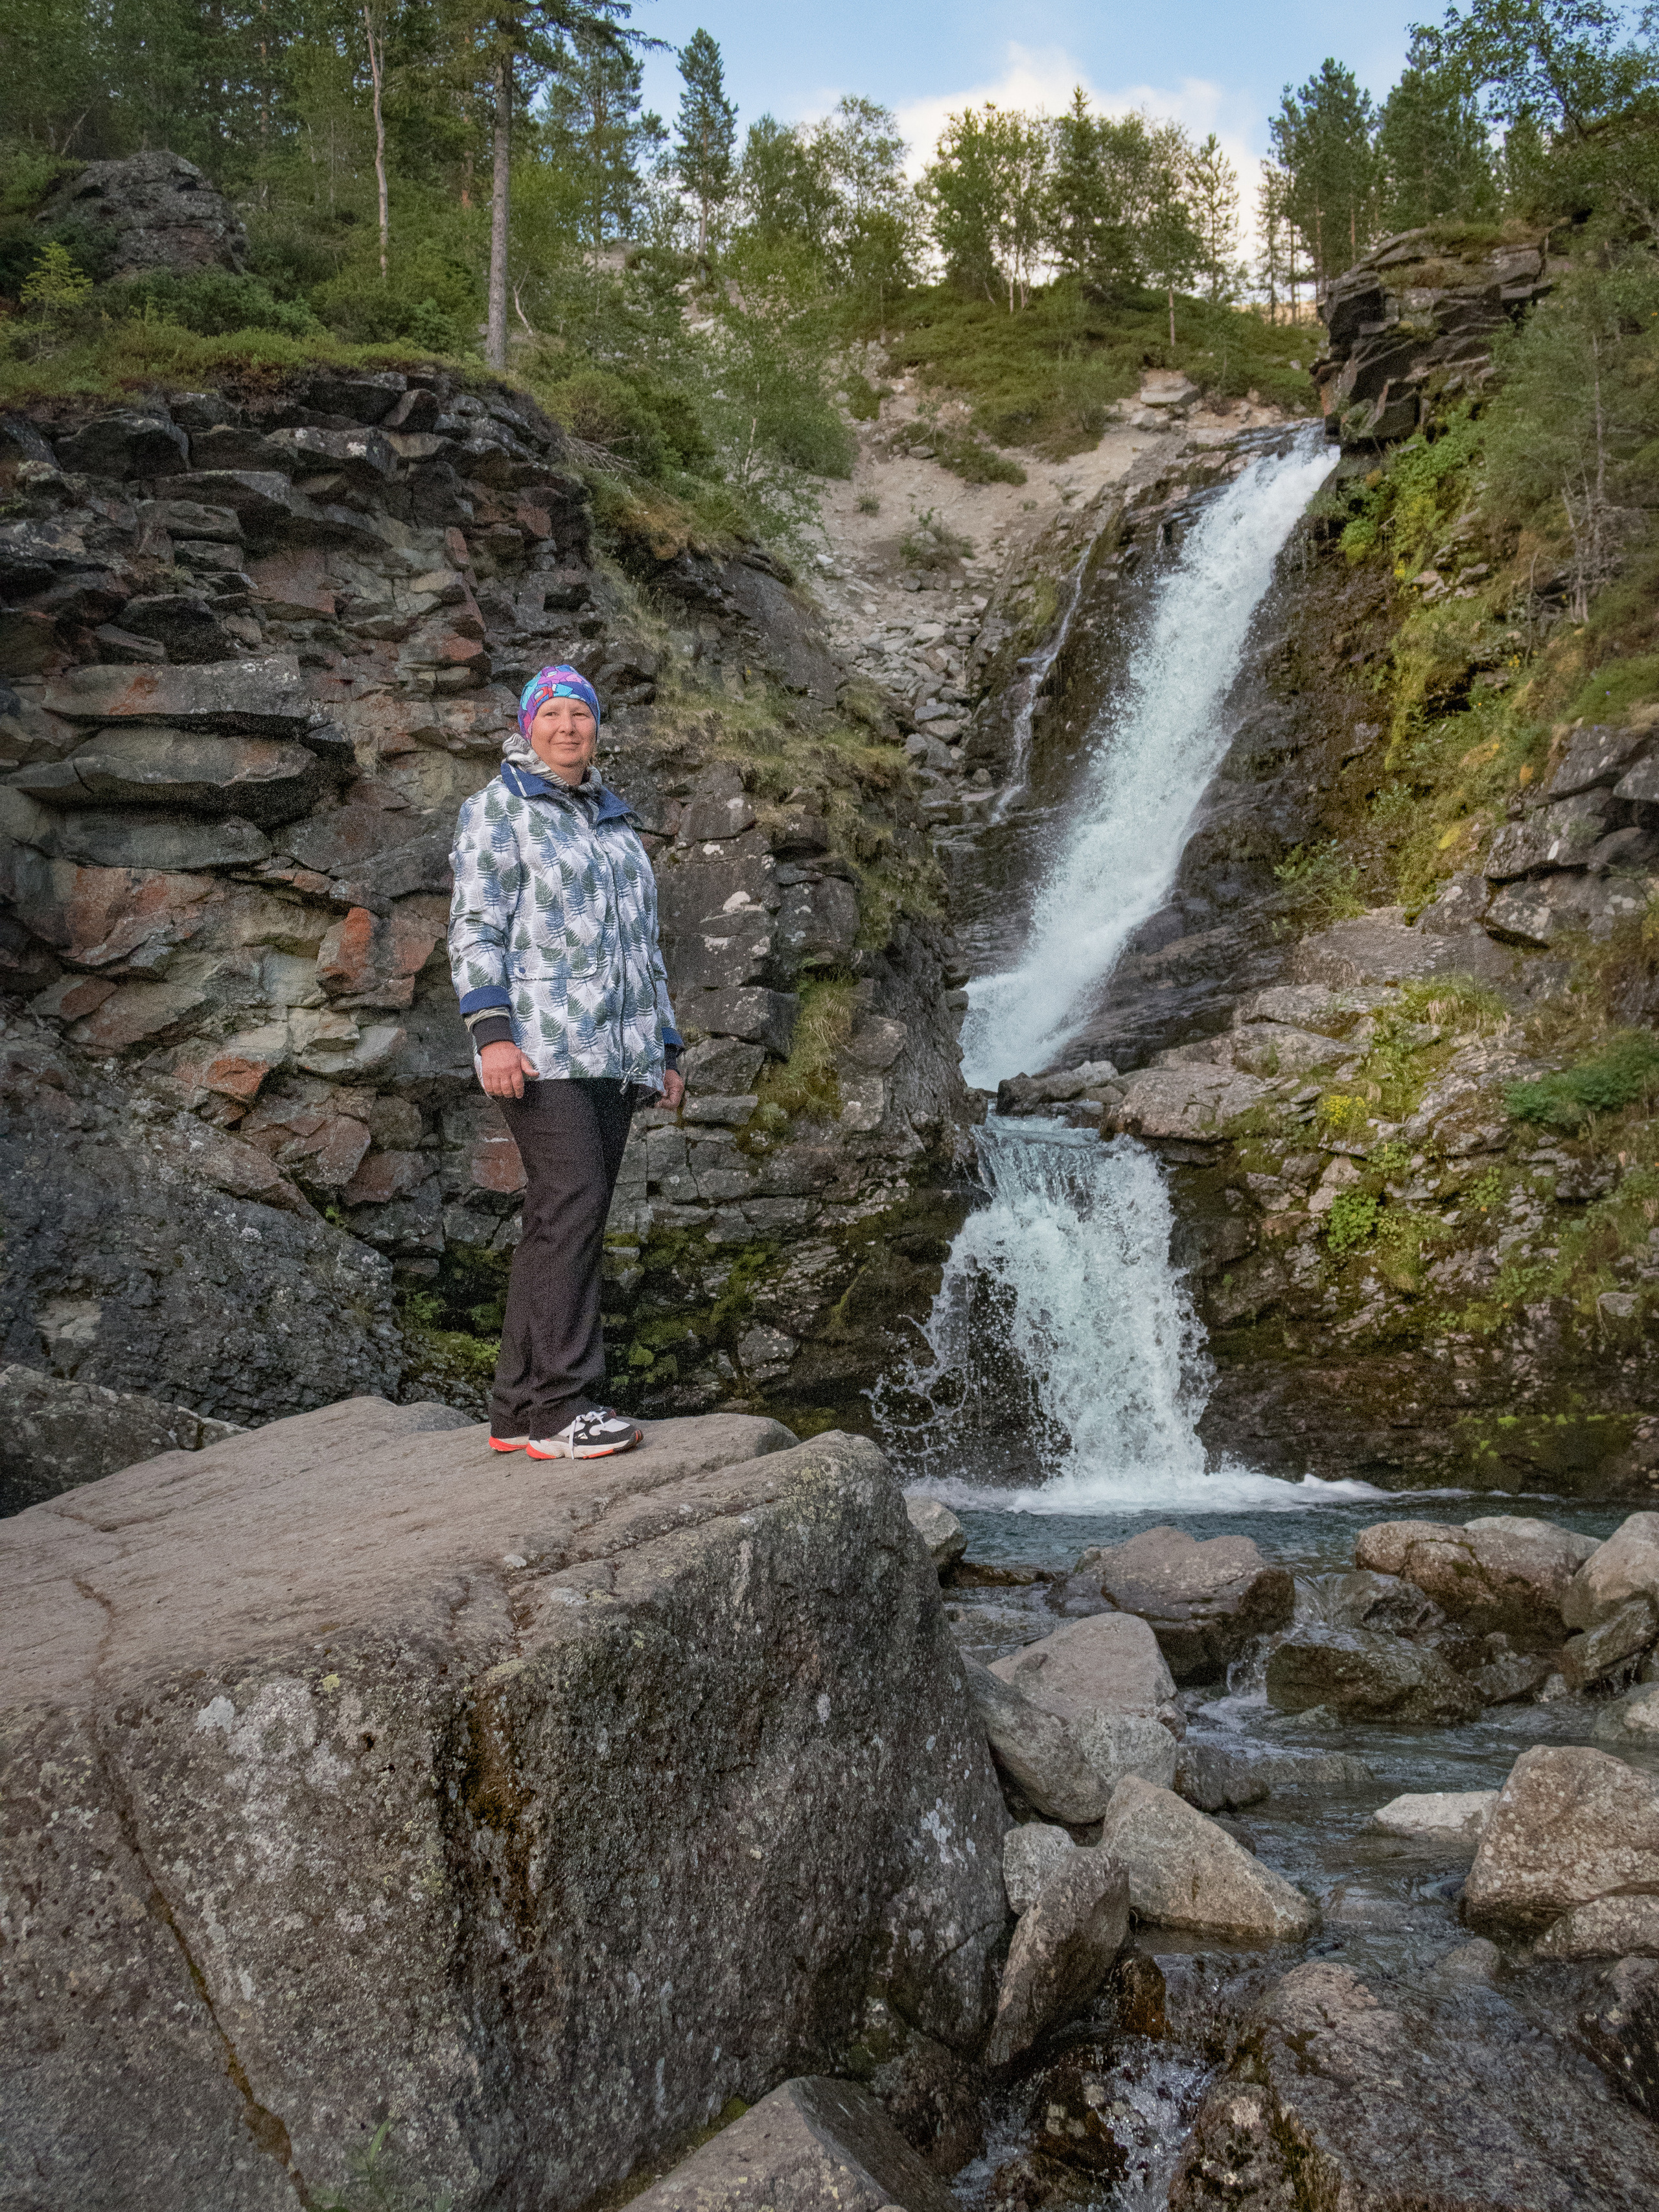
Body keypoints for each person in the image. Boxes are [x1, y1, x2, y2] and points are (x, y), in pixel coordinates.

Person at [447, 665, 684, 1461]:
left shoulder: (614, 822)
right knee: (572, 1205)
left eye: (579, 713)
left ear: (595, 727)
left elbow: (643, 948)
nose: (567, 726)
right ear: (527, 724)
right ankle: (561, 1408)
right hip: (542, 1047)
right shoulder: (497, 810)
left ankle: (516, 1410)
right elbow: (475, 928)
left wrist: (666, 1047)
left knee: (559, 1216)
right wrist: (493, 1034)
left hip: (615, 1052)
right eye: (551, 712)